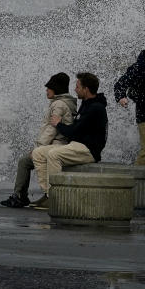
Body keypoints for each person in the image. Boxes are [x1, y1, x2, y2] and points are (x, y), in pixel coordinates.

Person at [28, 72, 108, 210]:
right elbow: (75, 129)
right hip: (77, 145)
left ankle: (56, 197)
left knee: (53, 155)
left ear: (86, 89)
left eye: (77, 86)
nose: (75, 89)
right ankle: (49, 194)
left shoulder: (96, 108)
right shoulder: (86, 104)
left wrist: (59, 124)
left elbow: (74, 131)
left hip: (88, 150)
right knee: (39, 153)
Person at [0, 73, 78, 208]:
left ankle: (20, 196)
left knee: (24, 161)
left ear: (56, 88)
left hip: (56, 145)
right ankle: (28, 196)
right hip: (60, 144)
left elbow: (51, 129)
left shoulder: (58, 104)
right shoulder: (65, 102)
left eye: (49, 87)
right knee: (25, 161)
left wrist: (38, 148)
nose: (46, 90)